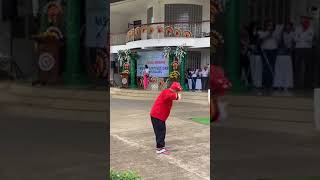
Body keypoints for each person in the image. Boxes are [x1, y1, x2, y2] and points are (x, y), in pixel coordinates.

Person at [150, 82, 182, 155]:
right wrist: (177, 96)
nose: (178, 92)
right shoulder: (167, 92)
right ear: (174, 90)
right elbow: (171, 96)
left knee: (160, 131)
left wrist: (176, 96)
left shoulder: (168, 92)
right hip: (157, 115)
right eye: (177, 91)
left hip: (159, 116)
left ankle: (161, 147)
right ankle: (160, 149)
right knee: (161, 132)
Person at [258, 20, 280, 92]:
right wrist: (268, 34)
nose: (270, 26)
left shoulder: (276, 33)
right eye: (269, 25)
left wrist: (273, 34)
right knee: (265, 68)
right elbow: (260, 40)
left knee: (272, 67)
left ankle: (272, 84)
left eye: (271, 25)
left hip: (273, 51)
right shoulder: (261, 32)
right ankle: (264, 84)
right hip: (265, 51)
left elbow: (278, 41)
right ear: (266, 25)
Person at [294, 16, 314, 89]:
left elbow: (310, 39)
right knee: (297, 67)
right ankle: (297, 85)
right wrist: (304, 36)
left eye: (304, 19)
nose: (303, 21)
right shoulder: (297, 28)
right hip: (298, 49)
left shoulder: (311, 28)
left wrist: (300, 36)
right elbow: (295, 39)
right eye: (302, 19)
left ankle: (307, 85)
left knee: (308, 67)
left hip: (308, 49)